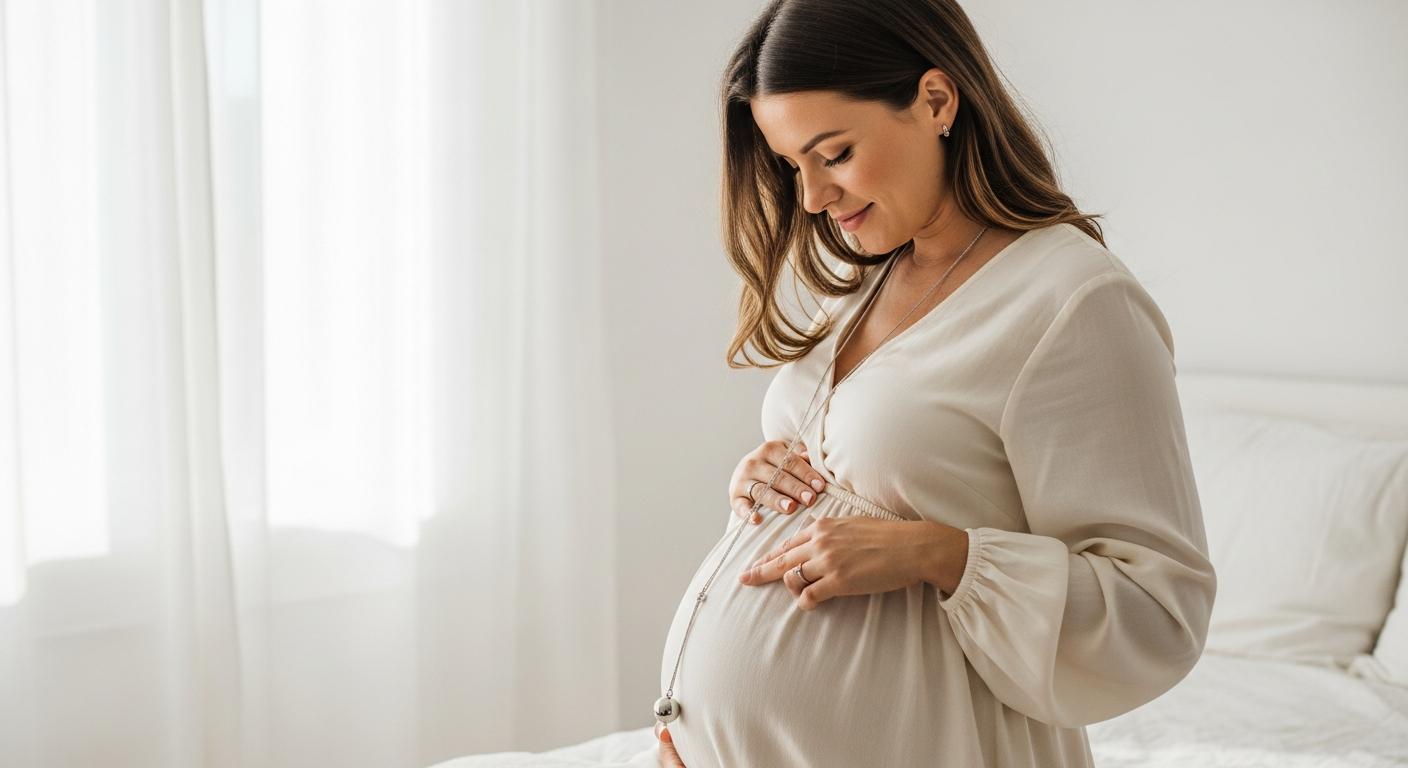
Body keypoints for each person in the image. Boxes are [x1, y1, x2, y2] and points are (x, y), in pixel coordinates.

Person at [654, 0, 1217, 766]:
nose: (813, 198)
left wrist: (943, 554)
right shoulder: (864, 281)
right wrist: (765, 487)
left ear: (936, 101)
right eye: (793, 167)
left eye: (836, 154)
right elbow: (875, 477)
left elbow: (1159, 610)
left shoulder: (1073, 300)